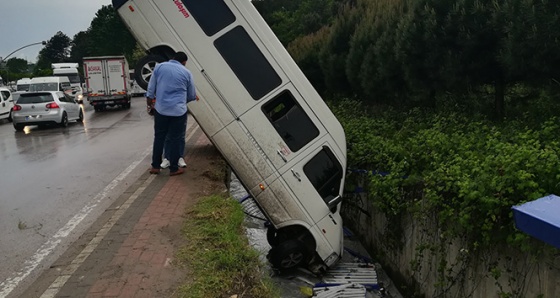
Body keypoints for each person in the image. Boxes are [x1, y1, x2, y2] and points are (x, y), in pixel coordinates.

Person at [145, 51, 197, 176]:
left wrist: (150, 103)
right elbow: (191, 95)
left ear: (173, 58)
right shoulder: (186, 73)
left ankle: (155, 167)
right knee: (175, 139)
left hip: (161, 110)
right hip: (178, 112)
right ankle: (174, 169)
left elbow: (151, 89)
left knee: (159, 137)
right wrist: (181, 102)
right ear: (184, 62)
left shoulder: (160, 67)